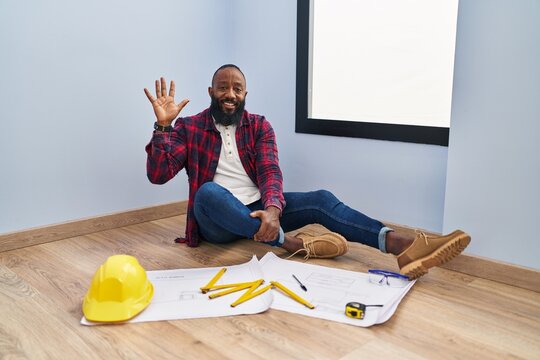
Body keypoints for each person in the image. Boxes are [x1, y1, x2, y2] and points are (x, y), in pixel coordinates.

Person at [144, 64, 470, 280]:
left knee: (320, 199)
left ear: (245, 95)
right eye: (223, 87)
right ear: (211, 91)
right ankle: (292, 244)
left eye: (237, 89)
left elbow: (271, 170)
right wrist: (163, 126)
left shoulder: (259, 126)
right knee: (208, 191)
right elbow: (158, 174)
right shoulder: (188, 127)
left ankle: (400, 245)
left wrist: (272, 210)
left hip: (258, 212)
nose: (230, 94)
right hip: (216, 220)